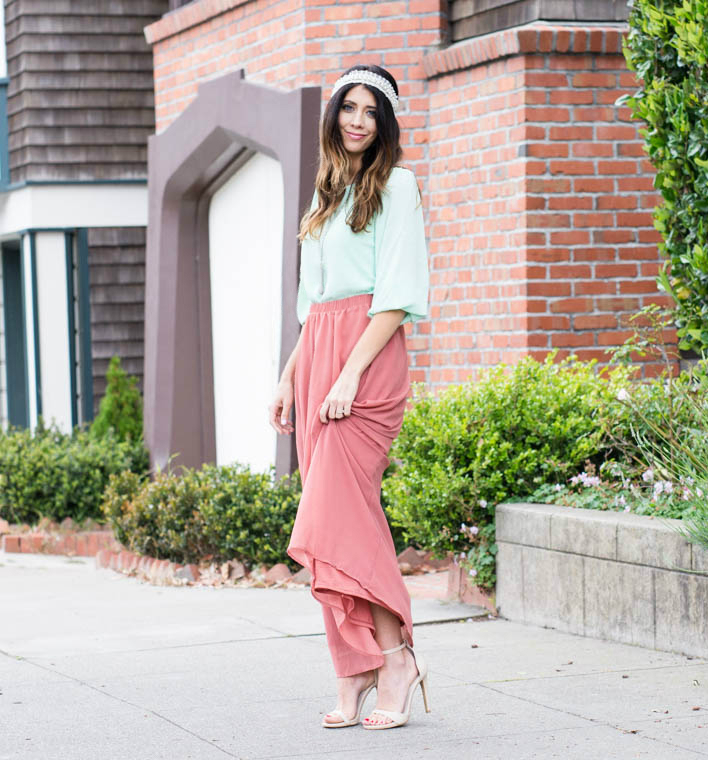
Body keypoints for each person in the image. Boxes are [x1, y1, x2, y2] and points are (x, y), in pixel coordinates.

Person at [268, 63, 430, 730]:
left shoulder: (398, 187)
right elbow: (314, 307)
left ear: (384, 122)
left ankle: (394, 658)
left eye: (370, 110)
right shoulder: (323, 195)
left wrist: (347, 376)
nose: (357, 119)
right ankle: (353, 665)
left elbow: (395, 298)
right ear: (333, 115)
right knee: (332, 520)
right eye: (348, 108)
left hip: (367, 363)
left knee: (345, 519)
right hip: (321, 360)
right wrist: (289, 377)